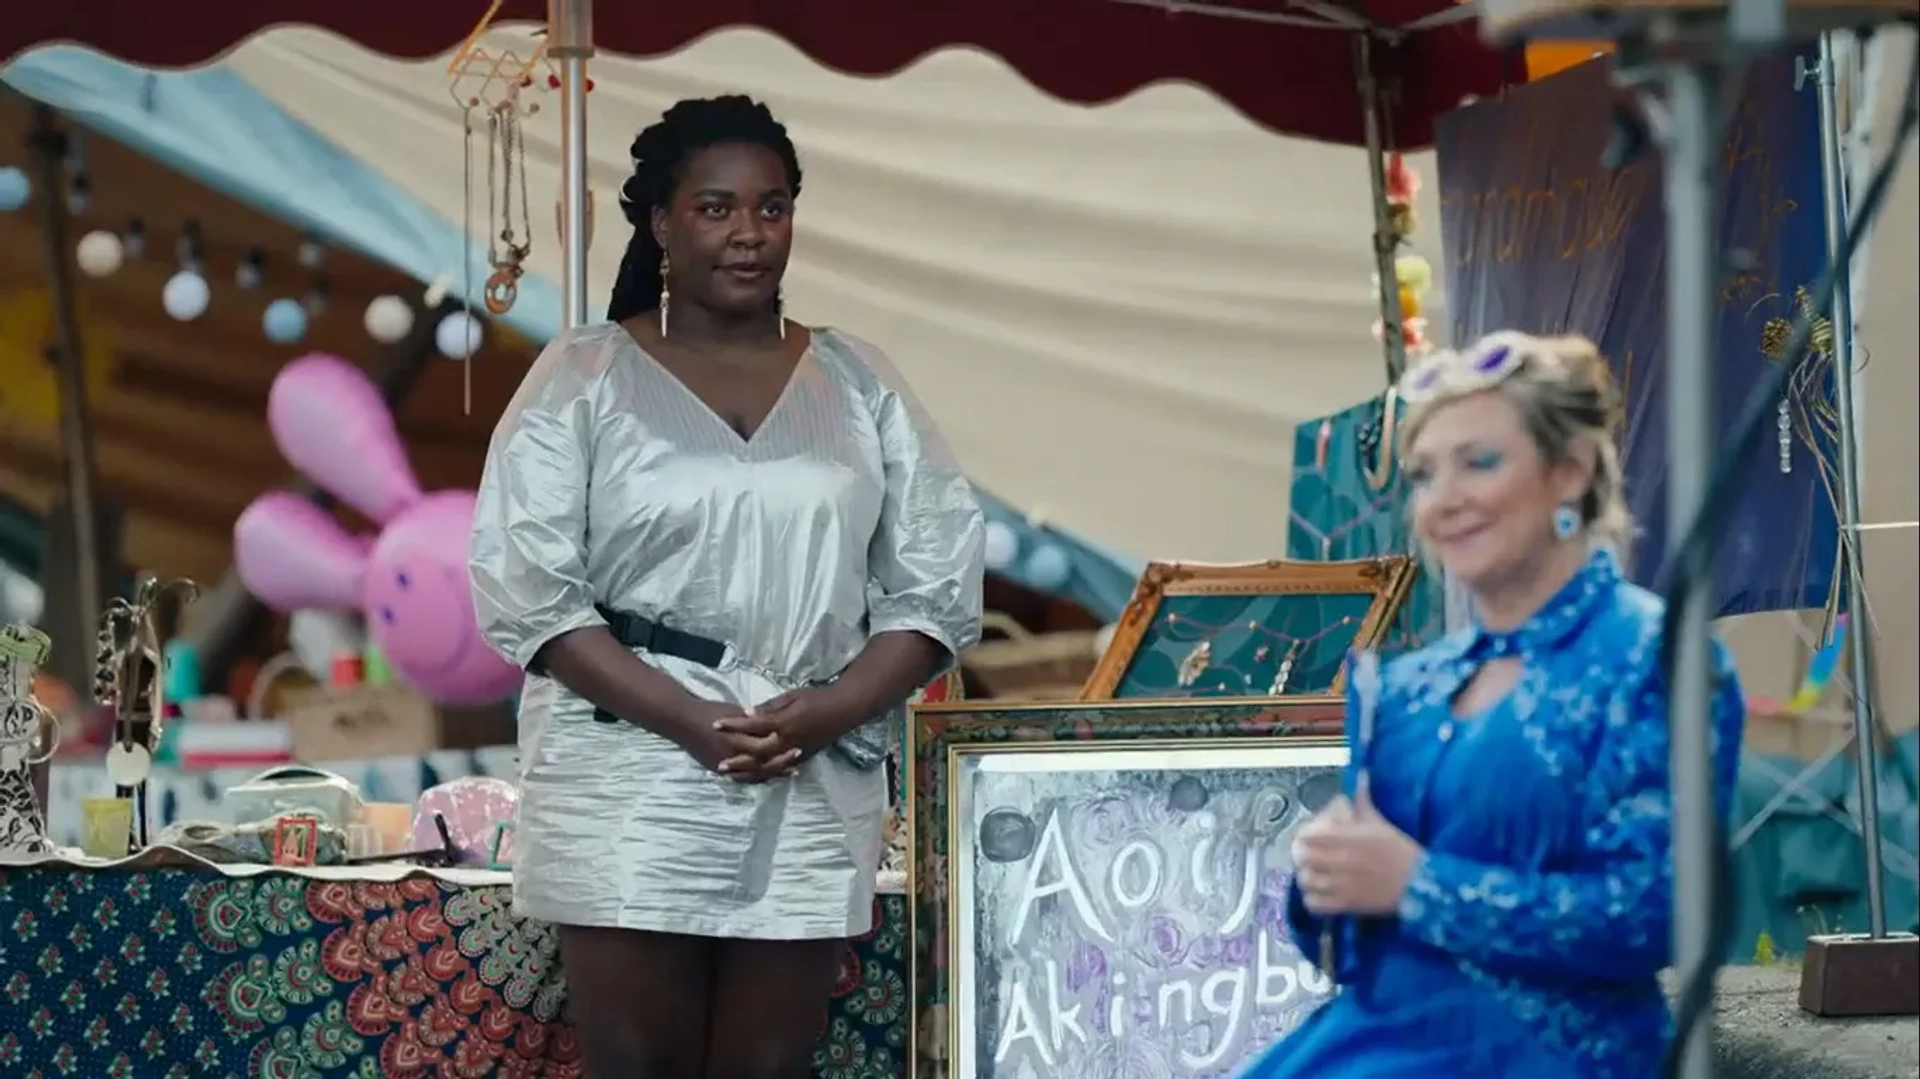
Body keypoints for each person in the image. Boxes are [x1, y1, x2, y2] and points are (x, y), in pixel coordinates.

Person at [469, 95, 986, 1079]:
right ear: (663, 225)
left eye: (772, 207)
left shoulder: (860, 379)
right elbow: (530, 590)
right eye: (716, 208)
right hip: (626, 765)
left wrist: (831, 709)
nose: (749, 232)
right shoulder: (584, 374)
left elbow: (936, 584)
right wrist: (687, 718)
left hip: (807, 763)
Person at [1241, 331, 1746, 1079]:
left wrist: (1416, 884)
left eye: (1479, 462)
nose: (1444, 501)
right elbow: (1348, 954)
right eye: (1423, 475)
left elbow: (1659, 913)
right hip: (1368, 1044)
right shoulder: (1406, 686)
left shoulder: (1652, 657)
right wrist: (1324, 882)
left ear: (1570, 470)